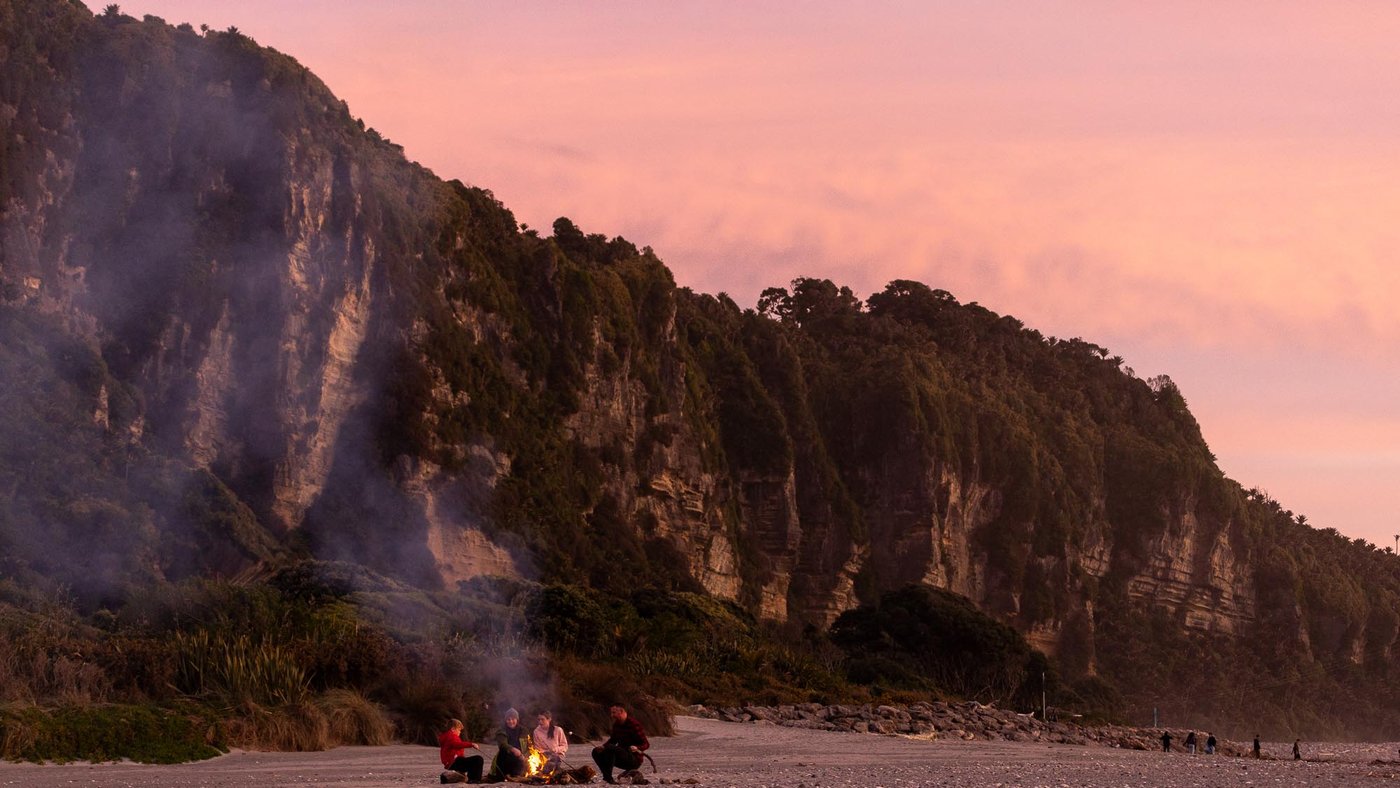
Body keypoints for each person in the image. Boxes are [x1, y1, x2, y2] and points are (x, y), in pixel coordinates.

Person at [593, 703, 650, 784]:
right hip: (621, 755)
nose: (612, 715)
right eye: (611, 713)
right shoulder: (617, 724)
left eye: (614, 713)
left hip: (634, 759)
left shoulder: (634, 724)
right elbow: (613, 740)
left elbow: (646, 744)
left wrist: (637, 748)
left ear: (621, 712)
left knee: (610, 748)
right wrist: (602, 747)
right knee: (596, 751)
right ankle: (607, 778)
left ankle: (607, 778)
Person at [489, 708, 533, 781]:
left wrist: (525, 756)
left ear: (517, 719)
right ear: (505, 720)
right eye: (508, 719)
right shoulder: (502, 730)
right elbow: (502, 745)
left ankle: (518, 775)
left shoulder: (523, 730)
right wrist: (513, 749)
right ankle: (512, 776)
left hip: (522, 757)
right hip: (505, 758)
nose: (511, 721)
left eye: (513, 719)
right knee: (506, 753)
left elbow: (529, 746)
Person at [438, 719, 483, 784]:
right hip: (454, 762)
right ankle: (475, 780)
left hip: (451, 763)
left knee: (471, 763)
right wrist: (471, 744)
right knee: (478, 759)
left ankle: (470, 779)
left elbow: (457, 749)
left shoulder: (447, 736)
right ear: (453, 729)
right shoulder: (451, 736)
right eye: (459, 730)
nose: (460, 732)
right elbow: (457, 744)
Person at [533, 710, 569, 776]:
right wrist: (545, 752)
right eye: (539, 720)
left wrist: (556, 749)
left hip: (557, 756)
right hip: (543, 756)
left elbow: (565, 746)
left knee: (552, 762)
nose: (540, 722)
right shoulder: (536, 731)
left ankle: (551, 771)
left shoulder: (558, 730)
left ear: (549, 719)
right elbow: (537, 748)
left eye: (542, 719)